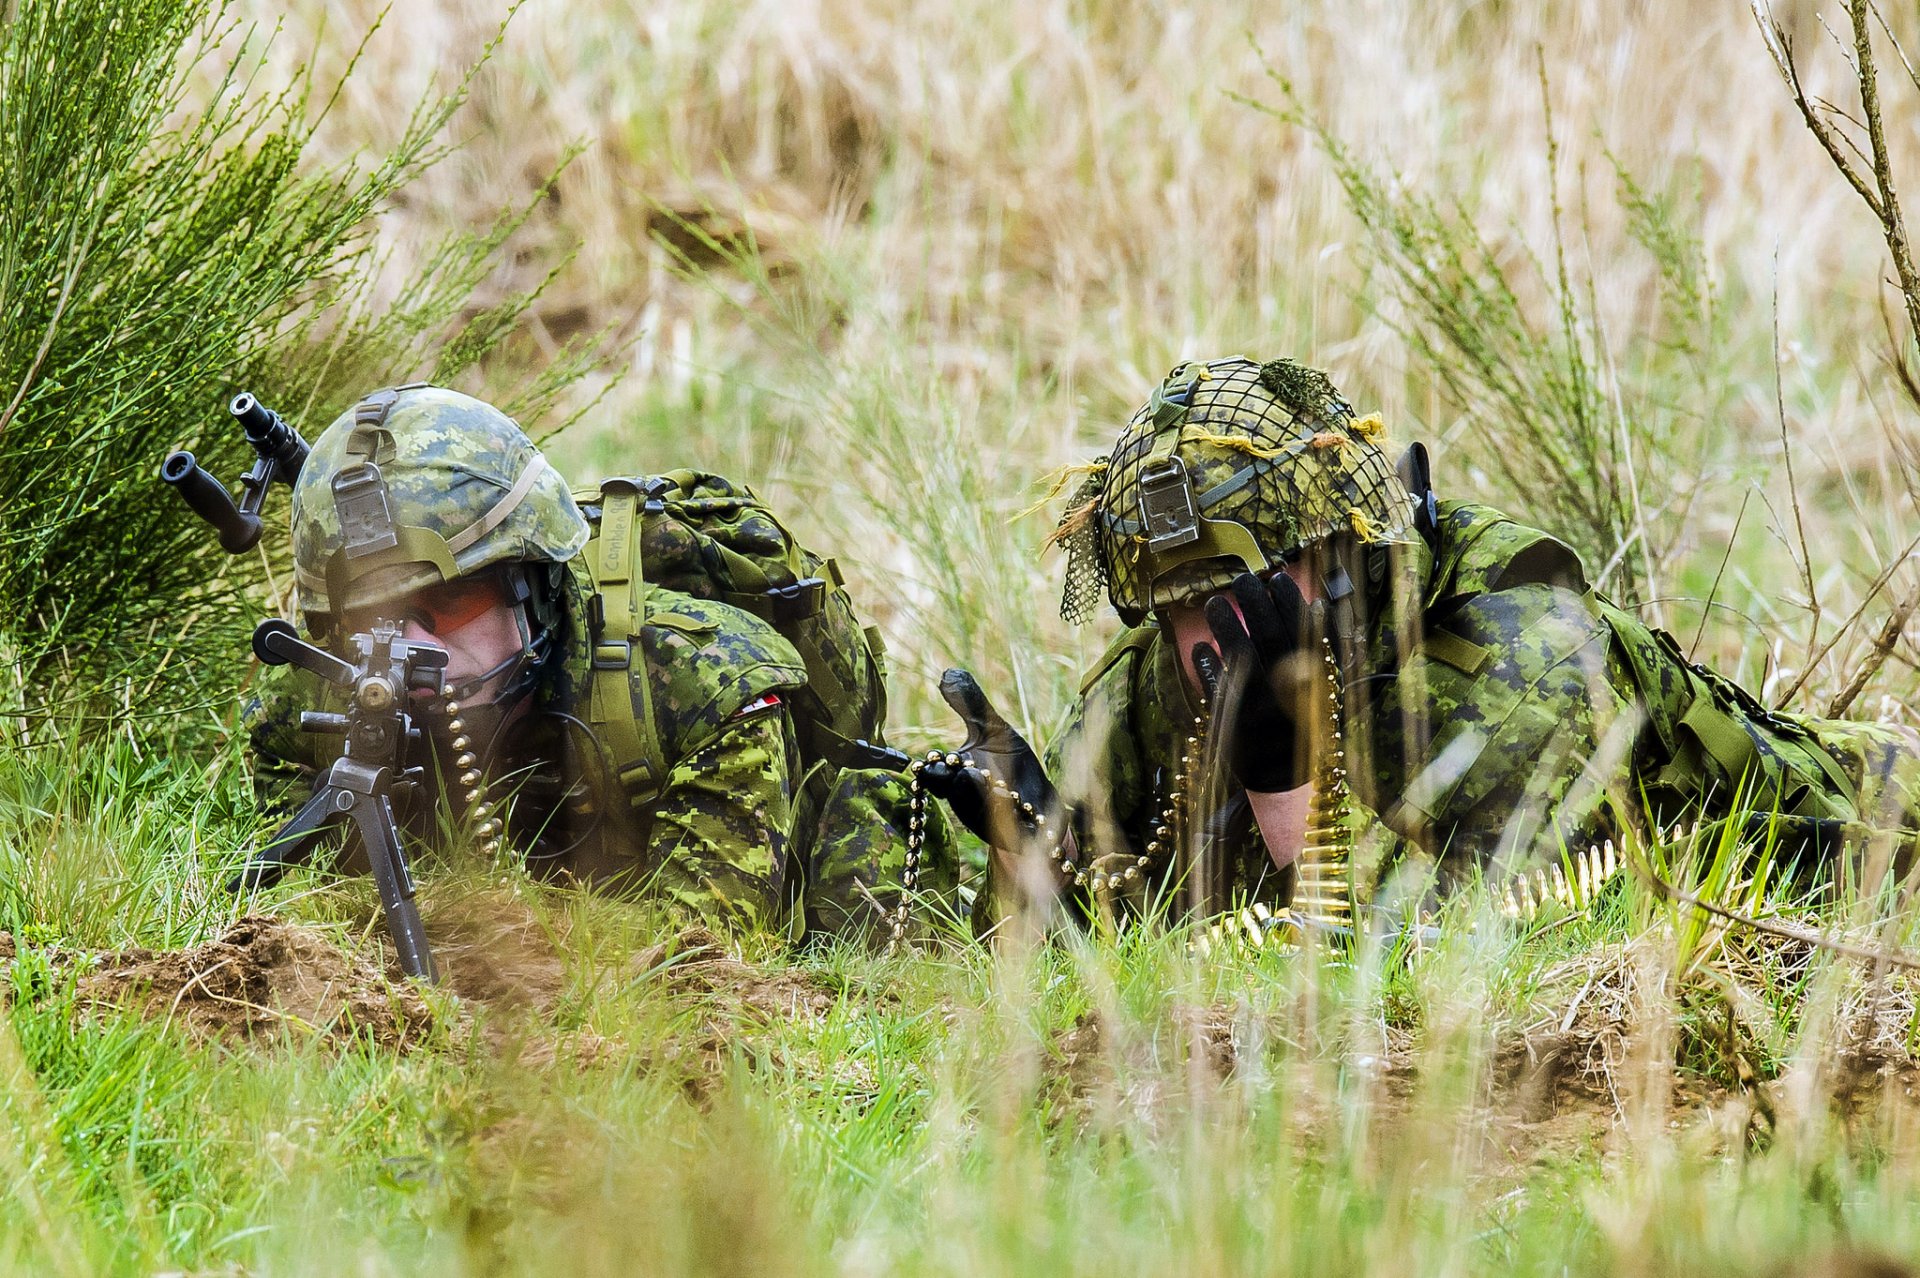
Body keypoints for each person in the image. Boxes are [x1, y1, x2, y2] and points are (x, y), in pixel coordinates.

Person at [924, 356, 1920, 938]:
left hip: (1869, 846)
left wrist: (1279, 780)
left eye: (1240, 592)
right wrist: (1036, 853)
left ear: (1341, 554)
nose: (1204, 640)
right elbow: (1075, 989)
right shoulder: (1158, 685)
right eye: (1175, 608)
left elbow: (1429, 965)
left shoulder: (1515, 650)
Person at [246, 383, 954, 940]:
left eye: (453, 602)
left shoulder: (705, 683)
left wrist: (487, 929)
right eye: (376, 621)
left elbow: (703, 959)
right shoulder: (312, 705)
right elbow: (298, 919)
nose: (417, 651)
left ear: (534, 581)